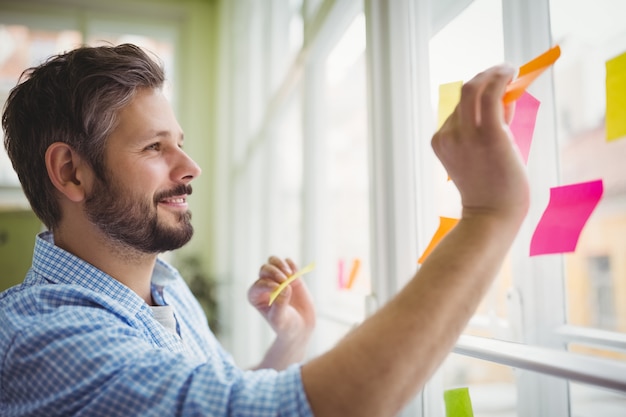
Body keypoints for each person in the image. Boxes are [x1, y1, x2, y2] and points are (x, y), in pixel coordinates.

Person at [0, 43, 528, 416]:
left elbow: (208, 399)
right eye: (154, 147)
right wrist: (488, 215)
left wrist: (288, 344)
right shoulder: (41, 336)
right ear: (71, 172)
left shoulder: (164, 286)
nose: (190, 167)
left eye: (178, 141)